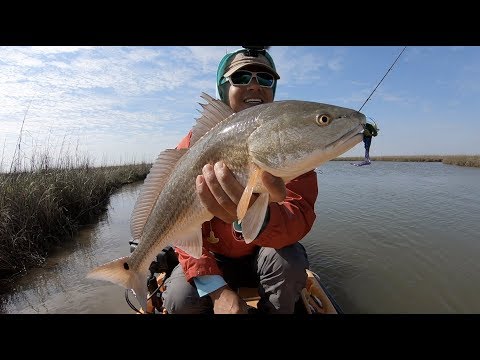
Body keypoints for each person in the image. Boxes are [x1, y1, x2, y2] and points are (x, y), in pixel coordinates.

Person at [161, 47, 319, 314]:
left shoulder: (290, 149)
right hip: (212, 258)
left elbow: (300, 217)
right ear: (224, 88)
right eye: (242, 77)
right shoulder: (192, 146)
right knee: (178, 297)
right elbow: (178, 227)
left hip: (263, 255)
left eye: (265, 79)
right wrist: (218, 292)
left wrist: (264, 217)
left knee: (289, 262)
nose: (255, 86)